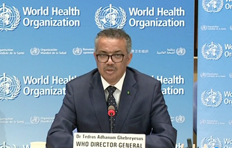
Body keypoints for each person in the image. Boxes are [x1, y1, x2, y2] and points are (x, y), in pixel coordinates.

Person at [46, 28, 177, 148]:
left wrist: (124, 144)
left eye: (117, 55)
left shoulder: (149, 89)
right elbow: (55, 137)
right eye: (103, 55)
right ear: (95, 57)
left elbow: (166, 139)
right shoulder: (77, 89)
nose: (109, 61)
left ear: (129, 58)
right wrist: (94, 144)